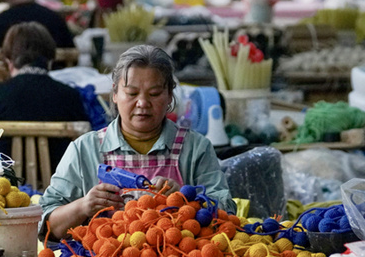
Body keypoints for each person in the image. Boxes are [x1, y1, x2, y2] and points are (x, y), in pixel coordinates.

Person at [40, 45, 234, 240]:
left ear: (169, 96)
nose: (142, 103)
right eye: (132, 93)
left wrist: (187, 200)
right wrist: (83, 206)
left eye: (155, 94)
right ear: (114, 94)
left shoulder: (195, 148)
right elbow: (47, 225)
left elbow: (227, 213)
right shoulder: (84, 150)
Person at [0, 22, 89, 165]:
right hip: (59, 183)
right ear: (50, 60)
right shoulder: (69, 95)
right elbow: (86, 150)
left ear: (9, 60)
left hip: (3, 184)